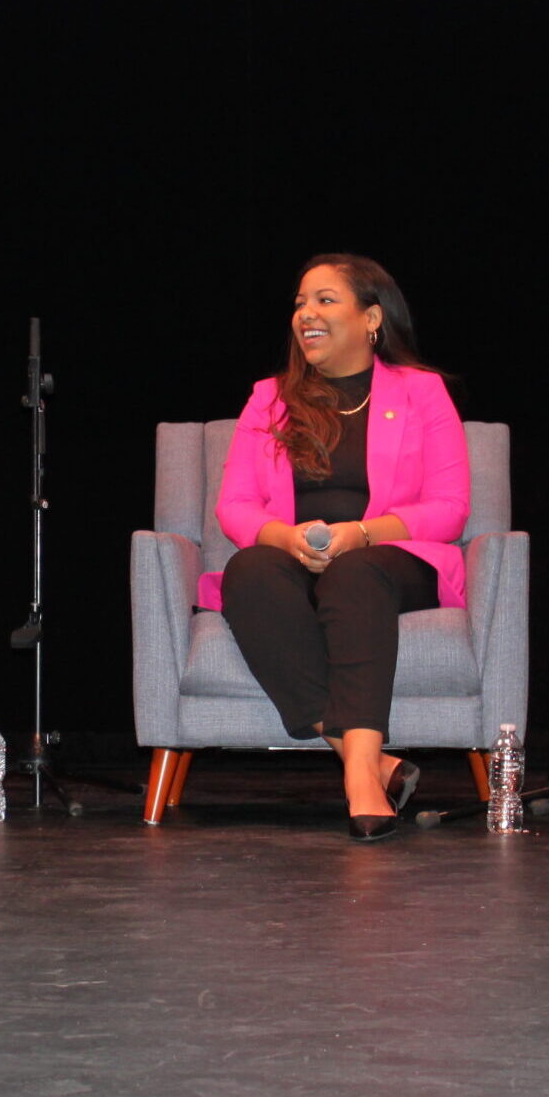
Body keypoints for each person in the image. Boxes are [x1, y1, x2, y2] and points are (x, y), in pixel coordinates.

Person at [205, 254, 470, 842]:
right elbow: (236, 507)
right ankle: (371, 762)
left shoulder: (423, 394)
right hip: (300, 556)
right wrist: (285, 538)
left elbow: (450, 509)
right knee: (249, 570)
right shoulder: (269, 398)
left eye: (325, 300)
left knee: (355, 575)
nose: (306, 314)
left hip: (393, 558)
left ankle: (359, 781)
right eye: (300, 302)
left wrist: (363, 533)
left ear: (371, 317)